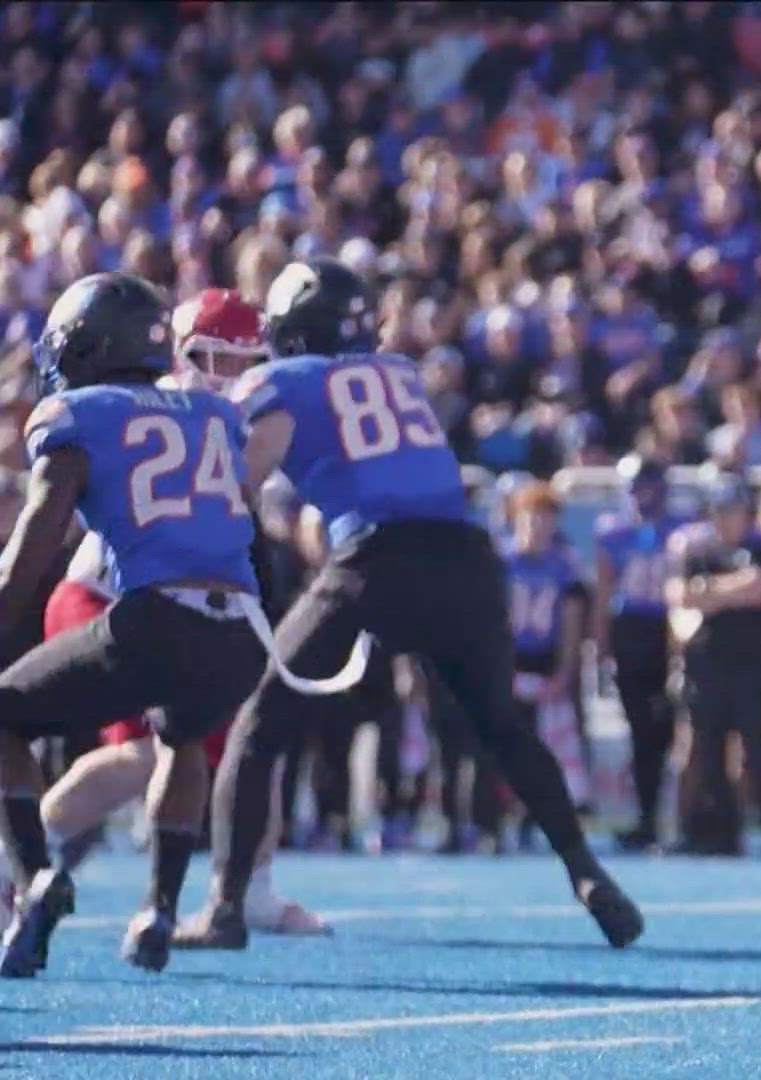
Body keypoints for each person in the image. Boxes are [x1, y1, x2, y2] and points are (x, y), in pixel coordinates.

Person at [176, 258, 641, 950]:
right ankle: (586, 871)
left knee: (260, 727)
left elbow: (244, 478)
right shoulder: (398, 373)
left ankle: (224, 905)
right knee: (503, 726)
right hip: (464, 559)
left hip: (375, 559)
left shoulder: (281, 379)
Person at [30, 289, 326, 935]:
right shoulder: (186, 410)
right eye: (217, 358)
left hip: (188, 604)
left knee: (245, 743)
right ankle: (25, 862)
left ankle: (246, 888)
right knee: (145, 756)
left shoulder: (224, 415)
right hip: (108, 593)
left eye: (248, 360)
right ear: (174, 350)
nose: (235, 375)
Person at [0, 272, 269, 976]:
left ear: (90, 347)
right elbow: (243, 519)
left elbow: (35, 543)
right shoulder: (215, 414)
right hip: (241, 628)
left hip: (159, 617)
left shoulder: (79, 414)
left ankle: (33, 880)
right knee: (178, 738)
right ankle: (158, 911)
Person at [667, 475, 761, 856]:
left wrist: (712, 592)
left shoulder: (760, 548)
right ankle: (719, 831)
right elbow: (682, 596)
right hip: (707, 663)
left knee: (756, 747)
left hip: (750, 664)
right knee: (708, 747)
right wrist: (735, 590)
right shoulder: (697, 551)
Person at [595, 453, 680, 851]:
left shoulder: (680, 531)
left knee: (670, 731)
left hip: (670, 631)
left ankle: (674, 818)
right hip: (631, 633)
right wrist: (601, 649)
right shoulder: (613, 531)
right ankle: (647, 819)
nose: (643, 495)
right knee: (641, 733)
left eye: (649, 486)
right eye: (636, 487)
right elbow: (604, 592)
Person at [500, 482, 592, 825]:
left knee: (547, 746)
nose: (539, 526)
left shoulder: (564, 565)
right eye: (532, 517)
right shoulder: (501, 560)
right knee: (505, 745)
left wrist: (565, 671)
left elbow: (572, 621)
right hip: (508, 659)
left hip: (545, 659)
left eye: (546, 518)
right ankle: (499, 818)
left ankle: (537, 818)